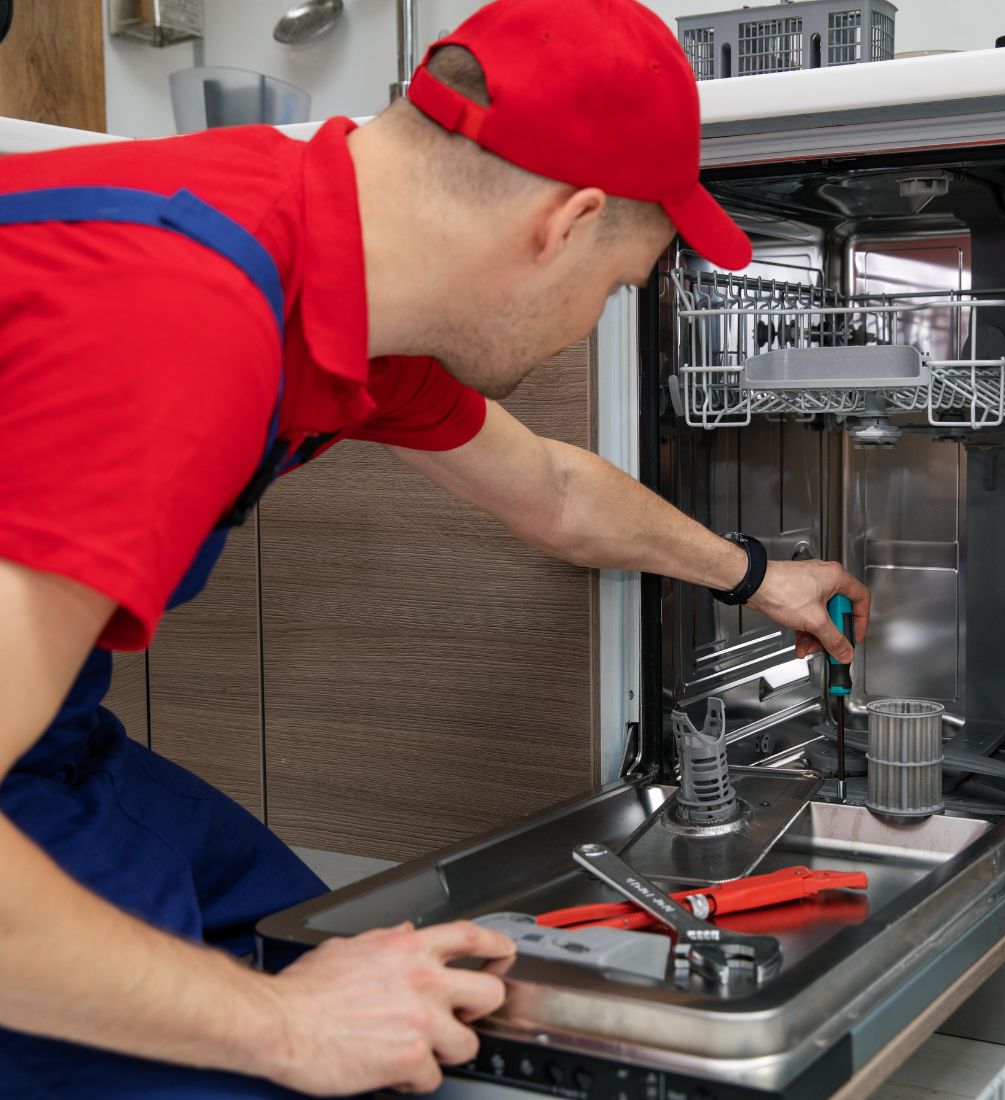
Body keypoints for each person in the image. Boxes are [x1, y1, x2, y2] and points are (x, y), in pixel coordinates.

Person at [0, 0, 870, 1096]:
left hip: (50, 739)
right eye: (613, 289)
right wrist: (285, 1026)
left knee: (308, 939)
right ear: (566, 221)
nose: (595, 317)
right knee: (285, 1039)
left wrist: (759, 575)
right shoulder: (188, 312)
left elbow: (553, 489)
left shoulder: (343, 284)